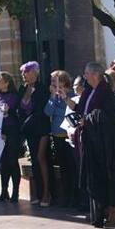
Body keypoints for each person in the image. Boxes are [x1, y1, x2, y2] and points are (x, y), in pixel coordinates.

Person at [77, 62, 115, 228]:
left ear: (95, 74)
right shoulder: (90, 91)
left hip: (103, 144)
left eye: (87, 73)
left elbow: (104, 116)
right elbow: (83, 110)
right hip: (91, 141)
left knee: (102, 178)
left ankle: (106, 213)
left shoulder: (105, 92)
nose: (85, 76)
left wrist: (87, 120)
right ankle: (97, 214)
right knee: (93, 178)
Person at [20, 61, 51, 206]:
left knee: (41, 158)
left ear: (35, 73)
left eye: (27, 71)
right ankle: (38, 193)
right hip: (29, 131)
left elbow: (41, 110)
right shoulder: (23, 88)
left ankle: (47, 193)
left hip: (41, 128)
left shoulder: (42, 88)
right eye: (23, 72)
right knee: (34, 160)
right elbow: (21, 109)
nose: (24, 75)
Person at [0, 71, 24, 202]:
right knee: (3, 163)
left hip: (12, 132)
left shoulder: (14, 96)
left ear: (6, 83)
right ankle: (4, 191)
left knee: (12, 161)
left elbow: (18, 113)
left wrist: (9, 110)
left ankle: (15, 192)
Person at [46, 71, 78, 208]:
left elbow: (69, 111)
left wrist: (59, 107)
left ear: (63, 82)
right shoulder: (54, 97)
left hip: (69, 136)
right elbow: (47, 112)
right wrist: (53, 97)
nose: (52, 83)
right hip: (57, 136)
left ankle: (75, 196)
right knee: (63, 168)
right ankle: (66, 196)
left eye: (55, 80)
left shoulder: (71, 95)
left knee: (73, 167)